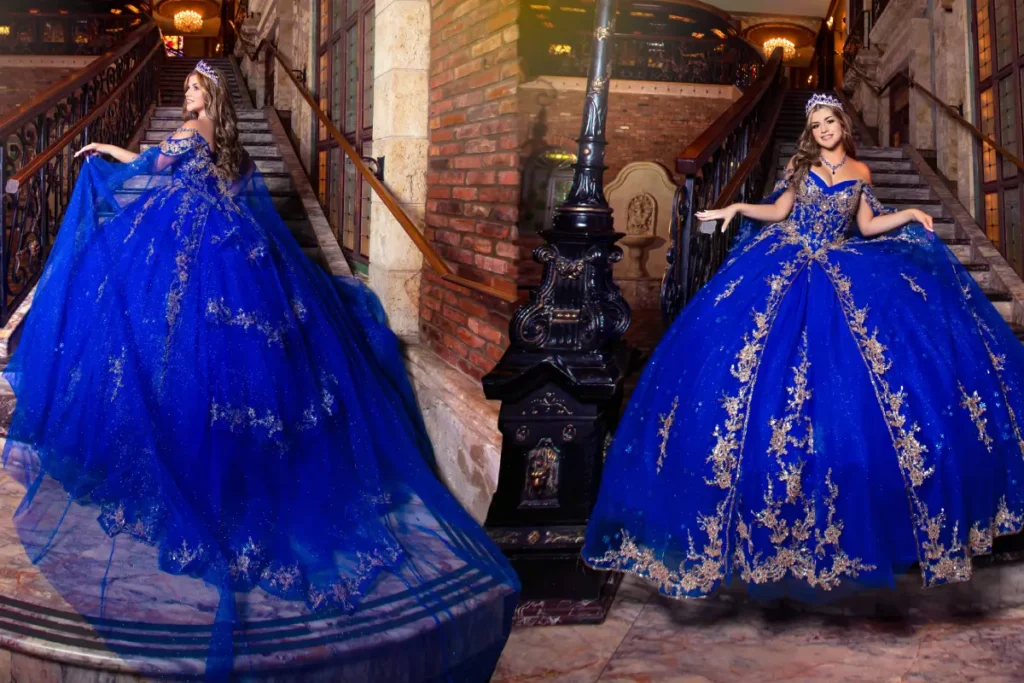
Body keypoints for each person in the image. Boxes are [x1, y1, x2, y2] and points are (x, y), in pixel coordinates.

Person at [2, 60, 519, 679]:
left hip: (196, 255)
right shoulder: (233, 148)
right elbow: (219, 189)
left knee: (180, 351)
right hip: (237, 252)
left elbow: (145, 166)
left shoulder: (191, 133)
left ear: (207, 99)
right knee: (236, 369)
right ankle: (236, 459)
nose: (189, 95)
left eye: (194, 89)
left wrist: (99, 152)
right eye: (189, 89)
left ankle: (199, 465)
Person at [582, 92, 1024, 603]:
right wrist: (736, 207)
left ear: (842, 123)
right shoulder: (798, 165)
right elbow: (778, 211)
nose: (822, 131)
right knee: (755, 377)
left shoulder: (860, 171)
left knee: (864, 384)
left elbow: (865, 226)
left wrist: (907, 214)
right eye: (815, 125)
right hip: (787, 264)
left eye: (829, 122)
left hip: (840, 266)